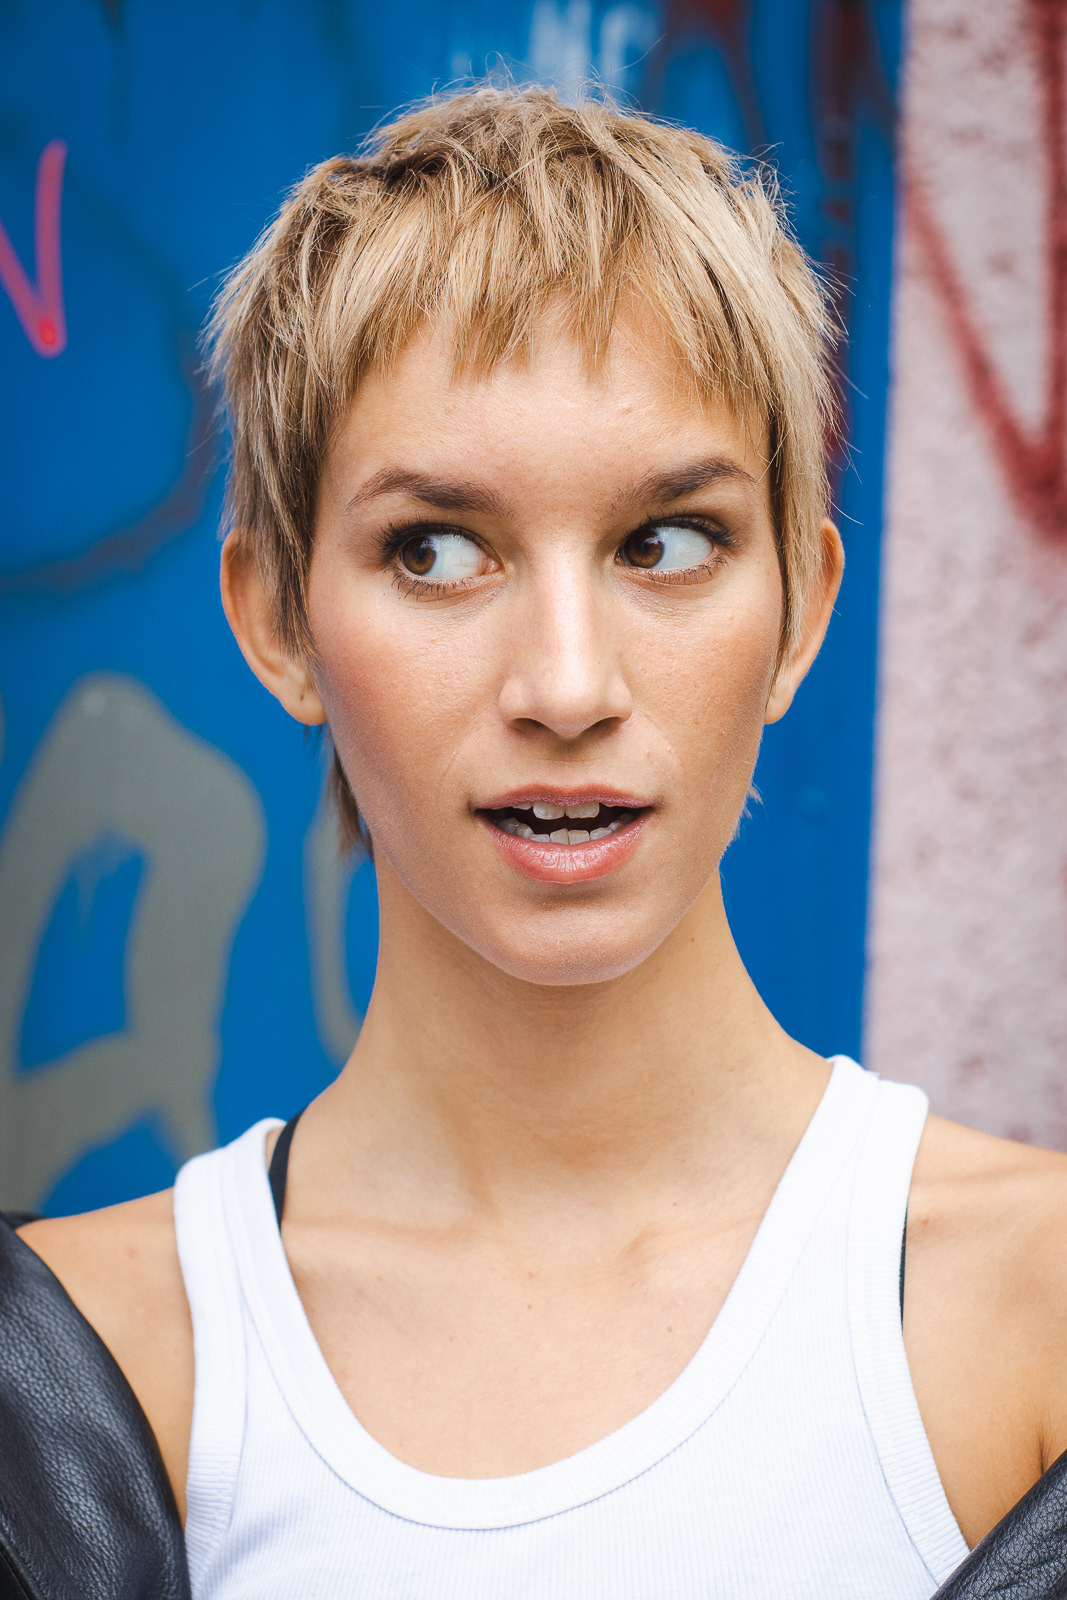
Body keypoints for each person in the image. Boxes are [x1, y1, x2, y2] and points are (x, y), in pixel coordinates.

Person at [15, 86, 1067, 1598]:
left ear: (803, 610)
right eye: (437, 551)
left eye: (666, 542)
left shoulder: (1039, 1312)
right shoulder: (78, 1368)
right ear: (276, 621)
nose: (568, 688)